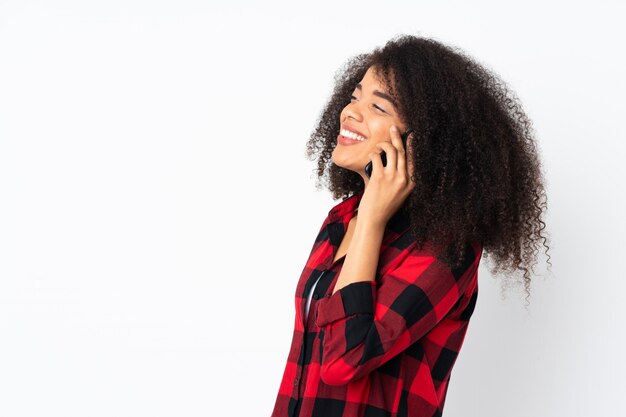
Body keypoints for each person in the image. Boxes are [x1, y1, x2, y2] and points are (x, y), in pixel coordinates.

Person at [270, 34, 551, 417]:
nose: (350, 112)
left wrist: (372, 217)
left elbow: (344, 361)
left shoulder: (445, 248)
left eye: (378, 107)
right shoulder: (340, 220)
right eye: (355, 97)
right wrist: (365, 213)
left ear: (424, 141)